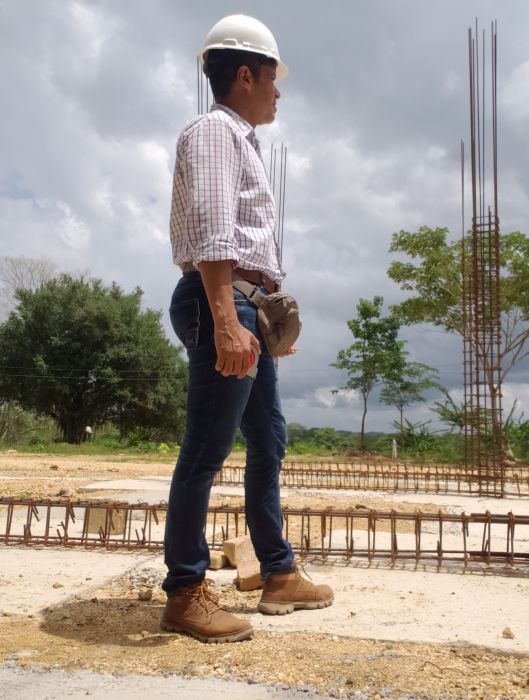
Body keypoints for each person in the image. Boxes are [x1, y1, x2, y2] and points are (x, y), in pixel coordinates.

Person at [161, 14, 333, 644]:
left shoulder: (242, 140)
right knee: (206, 450)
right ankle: (185, 592)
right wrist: (228, 320)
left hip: (243, 304)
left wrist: (260, 315)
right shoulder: (214, 132)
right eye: (272, 78)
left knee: (269, 439)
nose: (278, 92)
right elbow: (213, 231)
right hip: (221, 301)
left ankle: (278, 573)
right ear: (243, 76)